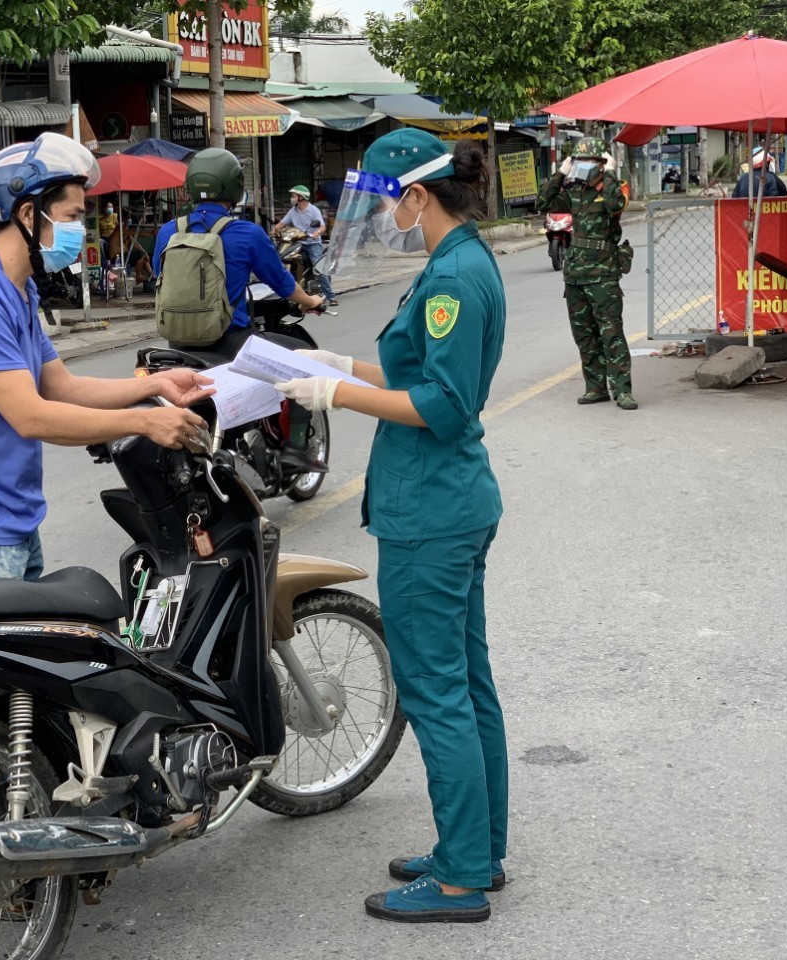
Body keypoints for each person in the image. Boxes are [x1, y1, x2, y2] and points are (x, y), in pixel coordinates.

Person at [271, 130, 508, 923]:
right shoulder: (458, 262)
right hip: (448, 503)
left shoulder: (454, 278)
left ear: (416, 195)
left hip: (430, 512)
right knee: (463, 683)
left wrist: (337, 397)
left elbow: (443, 405)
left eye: (383, 201)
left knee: (437, 691)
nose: (379, 217)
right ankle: (476, 849)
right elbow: (416, 374)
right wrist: (339, 368)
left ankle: (461, 877)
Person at [0, 132, 213, 587]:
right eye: (72, 216)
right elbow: (32, 417)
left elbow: (60, 387)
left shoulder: (17, 291)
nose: (80, 230)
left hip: (11, 522)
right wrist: (144, 422)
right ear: (28, 214)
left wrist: (156, 384)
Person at [152, 148, 328, 474]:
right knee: (305, 359)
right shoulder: (246, 233)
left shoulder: (167, 232)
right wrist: (311, 301)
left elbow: (158, 278)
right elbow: (283, 284)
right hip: (231, 342)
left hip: (177, 346)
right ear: (234, 186)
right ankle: (296, 450)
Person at [538, 136, 638, 410]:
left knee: (611, 333)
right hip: (575, 274)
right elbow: (543, 203)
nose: (582, 166)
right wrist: (561, 172)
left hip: (603, 274)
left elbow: (616, 205)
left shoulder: (612, 187)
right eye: (578, 161)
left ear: (601, 162)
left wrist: (610, 172)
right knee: (584, 334)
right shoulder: (572, 191)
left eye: (588, 161)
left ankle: (623, 390)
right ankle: (595, 387)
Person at [274, 185, 339, 306]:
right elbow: (282, 223)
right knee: (282, 258)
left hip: (312, 243)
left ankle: (331, 296)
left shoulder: (313, 210)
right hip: (298, 242)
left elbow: (322, 227)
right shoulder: (293, 211)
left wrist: (316, 233)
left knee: (318, 268)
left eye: (293, 196)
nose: (292, 198)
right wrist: (273, 230)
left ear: (301, 197)